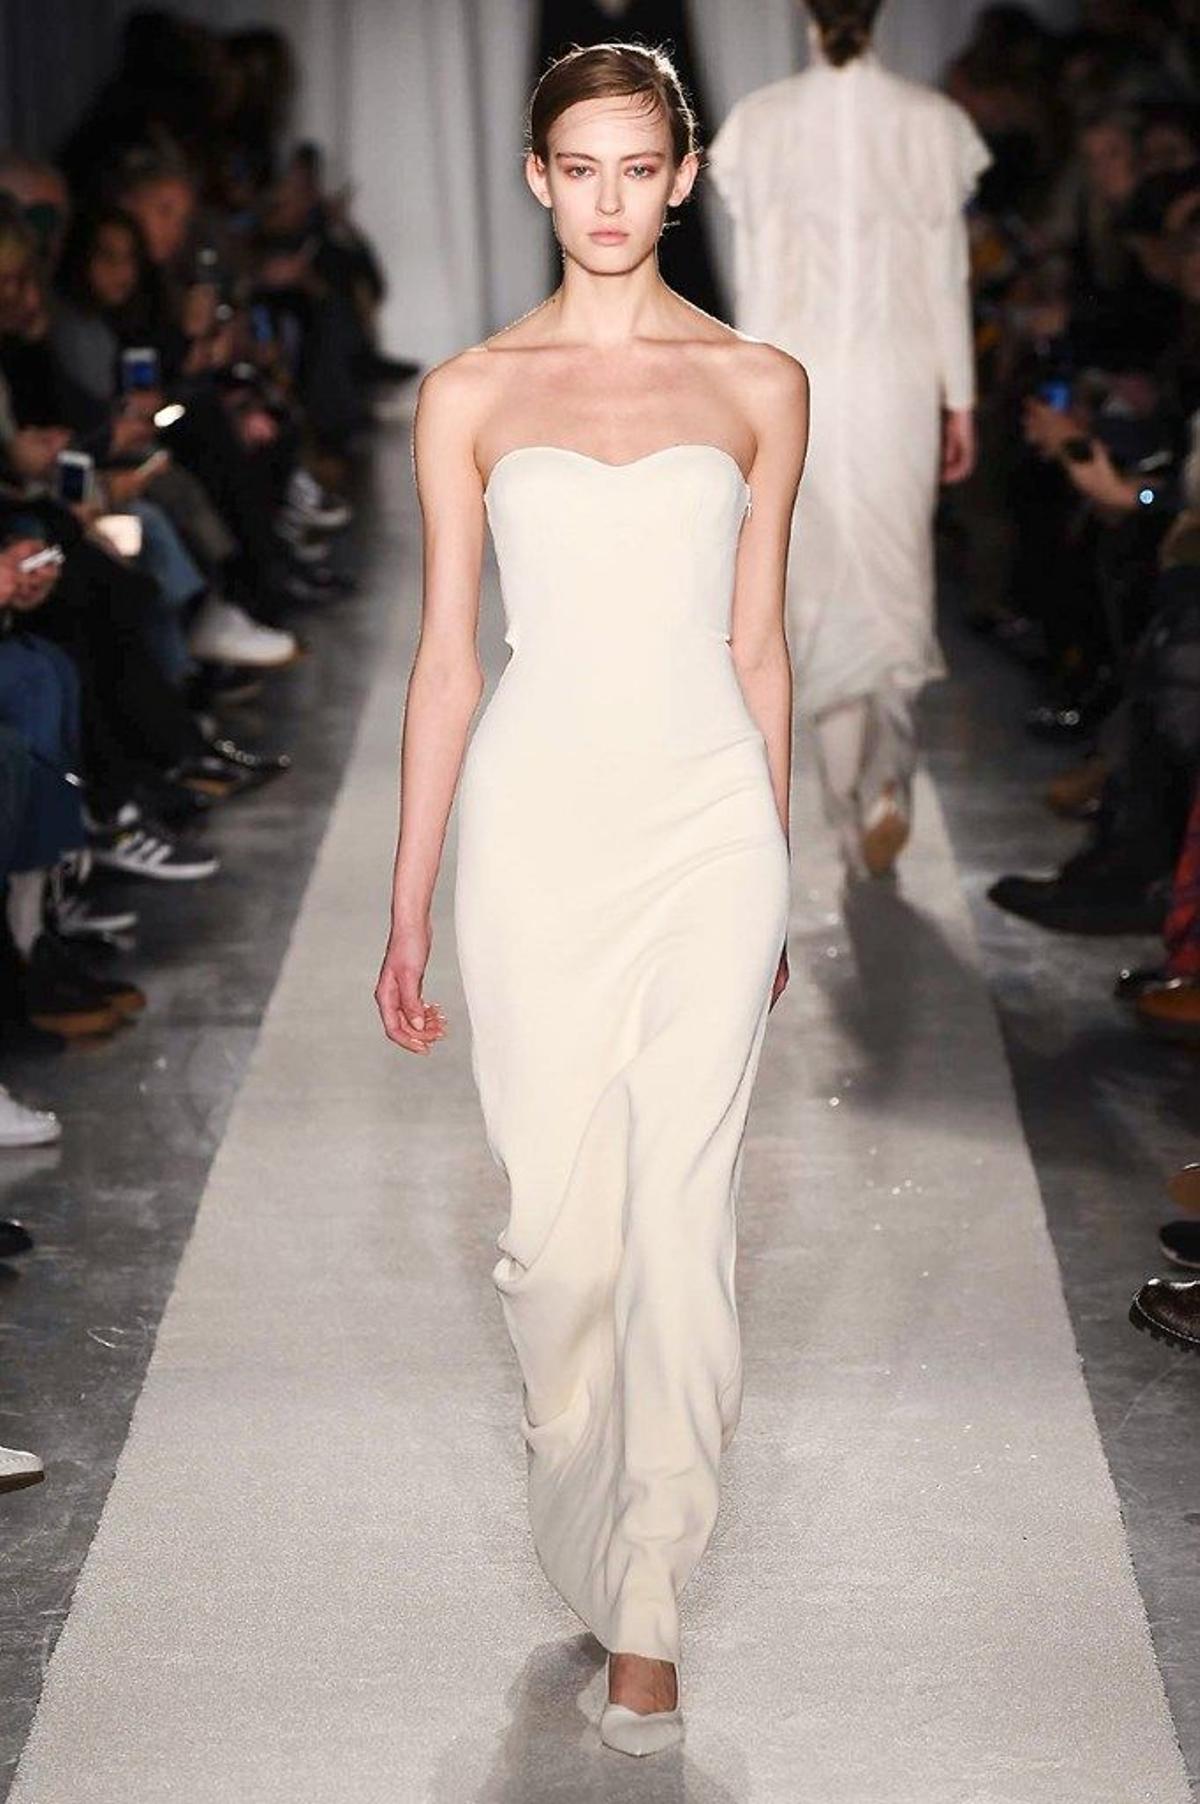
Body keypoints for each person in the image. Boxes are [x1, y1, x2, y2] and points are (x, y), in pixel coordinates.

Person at [374, 40, 807, 1759]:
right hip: (535, 830)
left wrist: (776, 876)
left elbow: (759, 648)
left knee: (682, 1228)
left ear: (682, 177)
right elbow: (445, 663)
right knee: (558, 1248)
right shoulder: (469, 393)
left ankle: (650, 1610)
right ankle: (587, 1511)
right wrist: (408, 902)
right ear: (539, 179)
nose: (610, 198)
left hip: (709, 827)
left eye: (640, 166)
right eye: (581, 167)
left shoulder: (761, 382)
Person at [706, 0, 991, 877]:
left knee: (818, 583)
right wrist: (960, 399)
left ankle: (842, 808)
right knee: (897, 574)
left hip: (801, 381)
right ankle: (887, 785)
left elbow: (755, 285)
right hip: (900, 381)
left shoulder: (761, 123)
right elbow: (946, 276)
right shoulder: (931, 123)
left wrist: (748, 405)